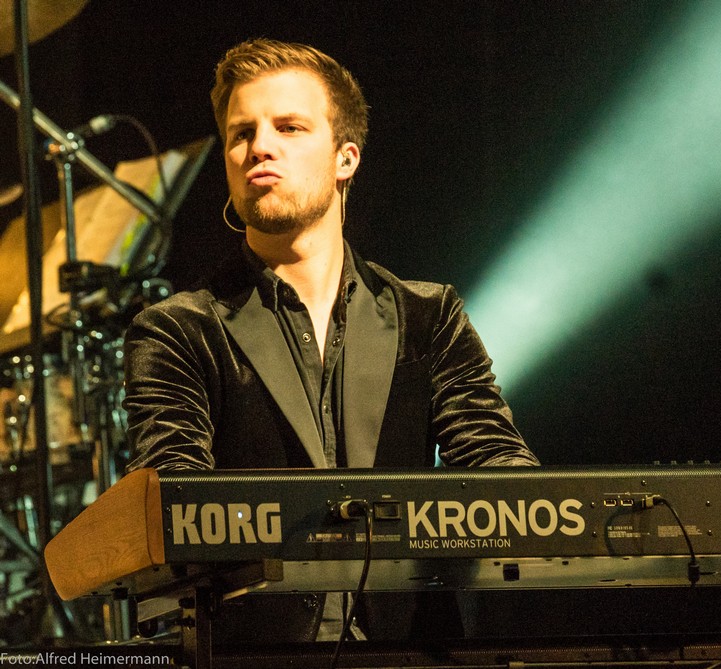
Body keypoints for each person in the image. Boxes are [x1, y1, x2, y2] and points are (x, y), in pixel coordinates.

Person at [122, 37, 538, 643]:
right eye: (242, 134)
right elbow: (172, 504)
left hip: (413, 652)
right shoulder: (178, 329)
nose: (259, 147)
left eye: (289, 127)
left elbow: (504, 475)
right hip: (252, 657)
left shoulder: (429, 316)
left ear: (346, 158)